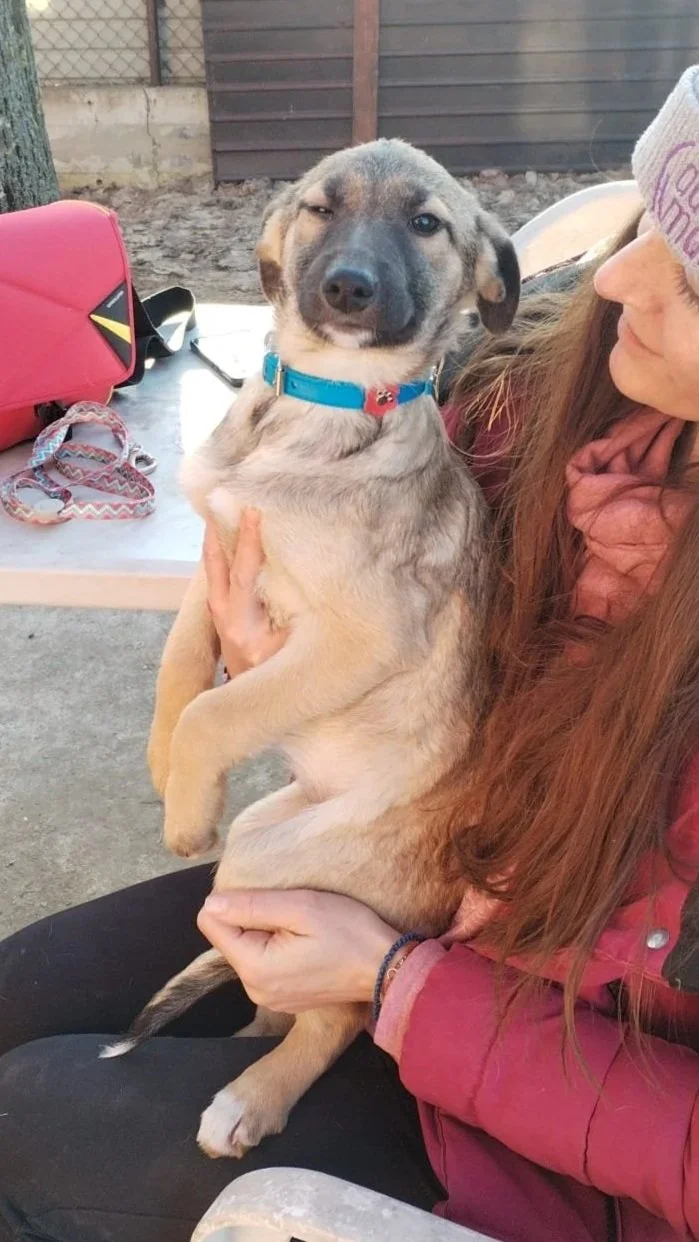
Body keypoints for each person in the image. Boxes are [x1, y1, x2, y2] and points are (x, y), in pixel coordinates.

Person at [2, 65, 699, 1242]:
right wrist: (245, 638)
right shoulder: (540, 385)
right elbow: (322, 548)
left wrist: (390, 984)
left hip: (541, 1096)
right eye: (643, 222)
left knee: (32, 1116)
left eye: (690, 273)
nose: (620, 275)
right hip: (410, 861)